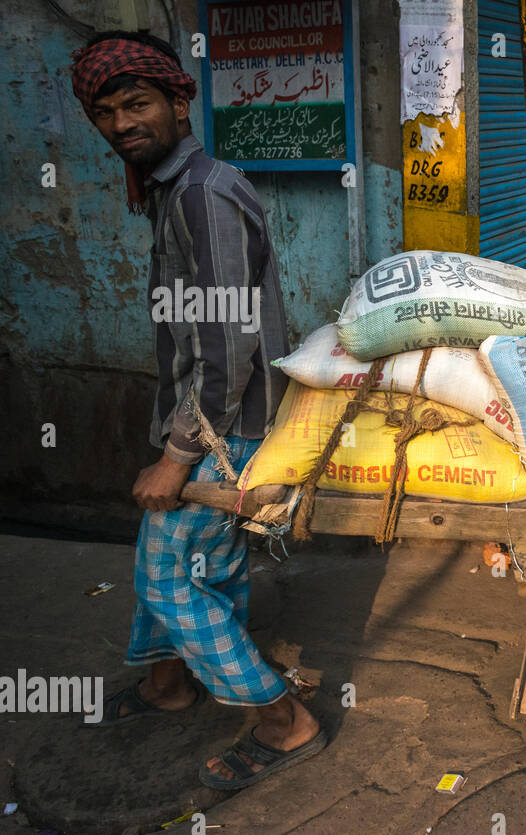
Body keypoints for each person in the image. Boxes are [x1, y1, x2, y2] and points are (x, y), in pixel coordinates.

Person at [72, 31, 325, 787]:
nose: (122, 123)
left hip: (221, 433)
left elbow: (228, 346)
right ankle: (169, 684)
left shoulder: (203, 193)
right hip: (205, 421)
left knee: (171, 581)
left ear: (179, 101)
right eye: (106, 112)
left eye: (138, 103)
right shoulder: (174, 189)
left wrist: (178, 455)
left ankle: (286, 720)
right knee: (192, 563)